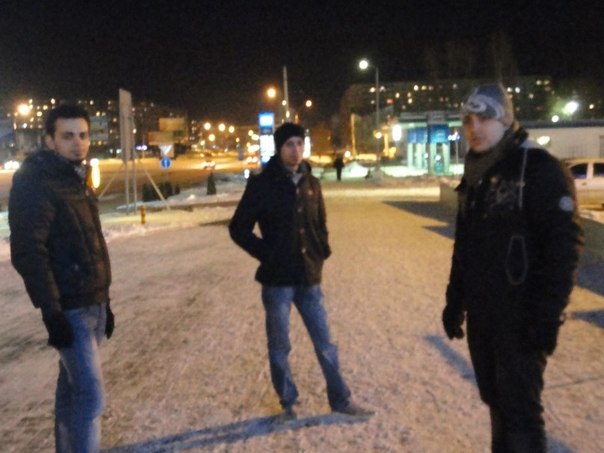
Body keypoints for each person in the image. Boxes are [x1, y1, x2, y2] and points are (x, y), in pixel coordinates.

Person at [443, 83, 583, 452]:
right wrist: (455, 300)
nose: (474, 127)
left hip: (522, 319)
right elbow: (466, 245)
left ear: (505, 119)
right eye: (468, 120)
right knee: (496, 401)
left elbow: (563, 250)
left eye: (484, 118)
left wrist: (547, 317)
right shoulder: (476, 173)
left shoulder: (537, 167)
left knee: (520, 412)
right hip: (484, 316)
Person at [229, 122, 373, 422]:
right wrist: (266, 254)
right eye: (289, 144)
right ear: (279, 149)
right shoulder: (262, 184)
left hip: (308, 278)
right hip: (277, 281)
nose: (296, 150)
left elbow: (320, 223)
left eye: (299, 143)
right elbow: (238, 229)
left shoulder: (311, 183)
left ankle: (341, 399)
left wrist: (322, 252)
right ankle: (288, 402)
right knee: (280, 345)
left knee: (325, 343)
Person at [9, 104, 114, 453]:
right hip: (69, 308)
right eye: (67, 136)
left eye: (83, 135)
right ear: (49, 140)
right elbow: (29, 251)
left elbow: (91, 243)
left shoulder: (77, 179)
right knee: (92, 397)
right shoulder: (36, 182)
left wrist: (106, 300)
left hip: (93, 304)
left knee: (72, 392)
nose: (77, 142)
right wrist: (51, 311)